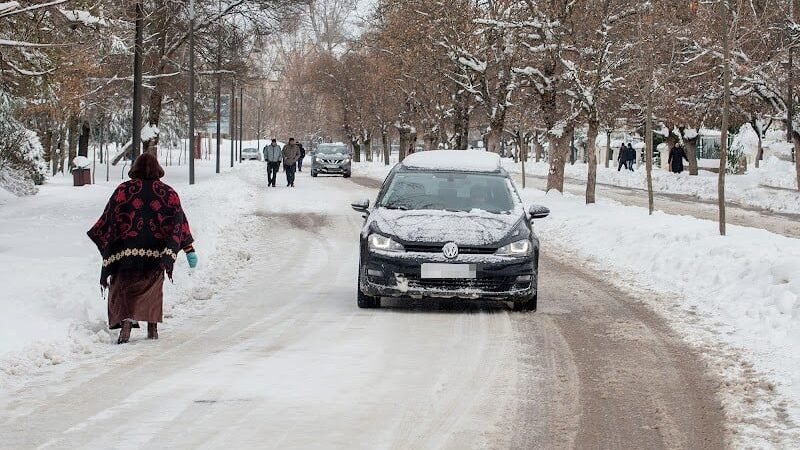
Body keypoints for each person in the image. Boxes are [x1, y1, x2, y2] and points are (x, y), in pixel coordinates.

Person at [87, 153, 197, 344]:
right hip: (156, 255)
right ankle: (152, 327)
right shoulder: (168, 193)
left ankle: (126, 325)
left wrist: (110, 245)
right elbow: (179, 222)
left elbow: (108, 219)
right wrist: (188, 248)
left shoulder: (123, 191)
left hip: (125, 254)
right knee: (153, 288)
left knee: (124, 287)